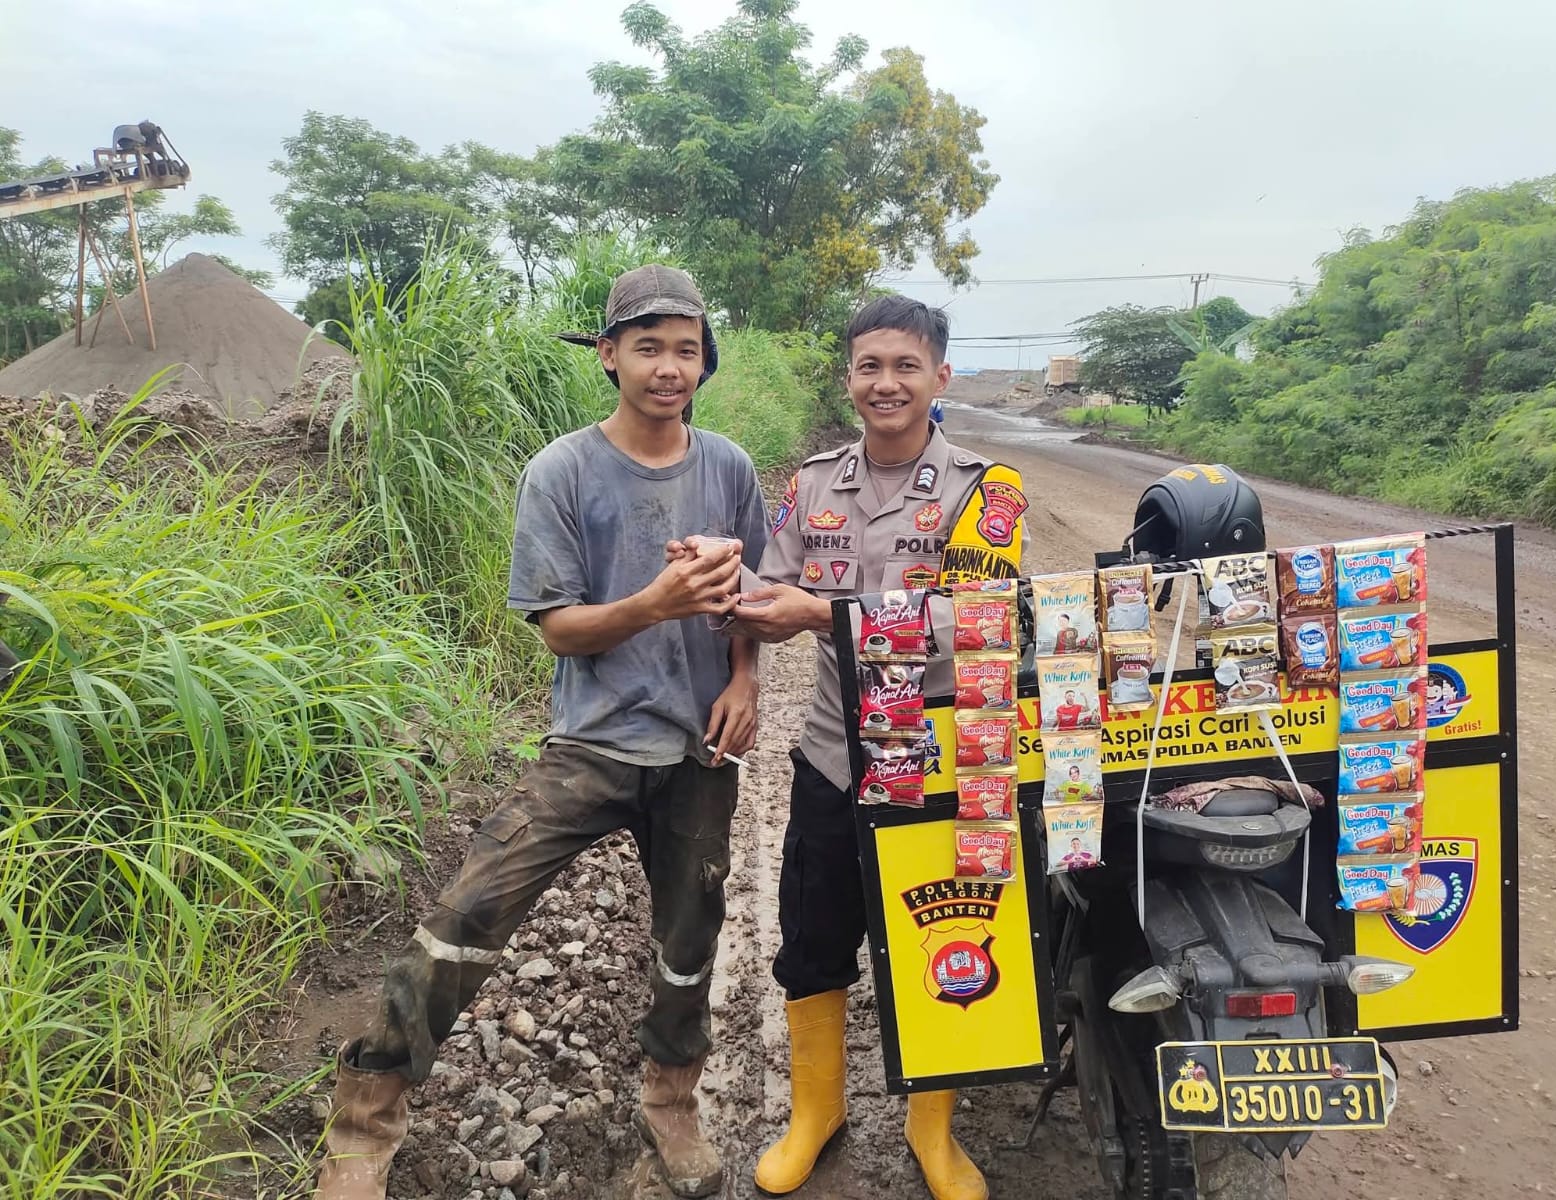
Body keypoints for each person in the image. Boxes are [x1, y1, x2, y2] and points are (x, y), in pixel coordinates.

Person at [313, 265, 767, 1200]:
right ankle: (364, 1120)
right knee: (469, 910)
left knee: (692, 932)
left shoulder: (728, 467)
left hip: (697, 750)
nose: (669, 367)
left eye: (687, 350)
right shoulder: (561, 471)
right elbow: (560, 629)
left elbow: (752, 599)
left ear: (704, 362)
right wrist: (654, 602)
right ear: (608, 356)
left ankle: (671, 1099)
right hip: (591, 744)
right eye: (647, 347)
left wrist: (745, 677)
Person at [728, 296, 1026, 1200]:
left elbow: (974, 622)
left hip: (943, 759)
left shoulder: (989, 490)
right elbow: (769, 589)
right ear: (848, 378)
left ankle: (932, 1129)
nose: (885, 383)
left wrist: (821, 614)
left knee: (949, 935)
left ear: (940, 376)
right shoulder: (816, 484)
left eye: (905, 366)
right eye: (869, 366)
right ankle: (816, 1113)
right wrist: (718, 582)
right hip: (834, 753)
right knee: (813, 937)